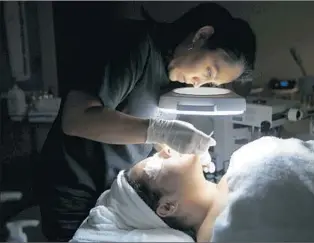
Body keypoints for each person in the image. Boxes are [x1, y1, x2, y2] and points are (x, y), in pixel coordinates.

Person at [35, 2, 257, 241]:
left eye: (210, 83)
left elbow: (134, 128)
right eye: (209, 72)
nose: (197, 83)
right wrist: (160, 131)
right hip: (75, 194)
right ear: (201, 36)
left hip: (119, 199)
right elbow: (76, 119)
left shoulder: (173, 75)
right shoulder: (133, 43)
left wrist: (168, 146)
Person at [71, 137, 314, 242]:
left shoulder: (239, 163)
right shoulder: (223, 232)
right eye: (157, 161)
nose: (166, 149)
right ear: (167, 207)